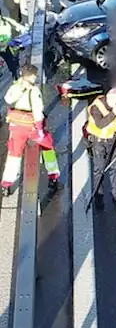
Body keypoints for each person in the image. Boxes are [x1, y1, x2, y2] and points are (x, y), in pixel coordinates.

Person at [2, 63, 59, 198]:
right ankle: (53, 176)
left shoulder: (15, 86)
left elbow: (7, 99)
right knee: (48, 148)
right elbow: (38, 111)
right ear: (32, 76)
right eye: (35, 75)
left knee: (14, 155)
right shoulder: (33, 91)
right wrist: (40, 130)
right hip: (31, 126)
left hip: (16, 126)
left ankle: (6, 184)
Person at [85, 87, 116, 207]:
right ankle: (98, 195)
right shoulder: (96, 107)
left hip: (113, 138)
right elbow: (100, 125)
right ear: (111, 101)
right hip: (98, 140)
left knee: (115, 167)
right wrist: (114, 113)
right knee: (99, 169)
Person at [0, 10, 24, 80]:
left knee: (13, 66)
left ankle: (16, 78)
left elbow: (19, 27)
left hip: (8, 47)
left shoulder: (7, 21)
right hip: (4, 46)